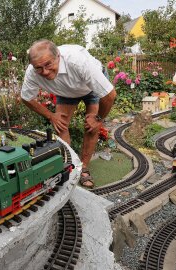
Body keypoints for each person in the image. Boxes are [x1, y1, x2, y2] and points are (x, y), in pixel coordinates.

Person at [21, 40, 117, 188]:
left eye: (48, 64)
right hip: (65, 91)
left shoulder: (78, 62)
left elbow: (110, 95)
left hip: (90, 88)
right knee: (60, 126)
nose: (45, 72)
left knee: (92, 127)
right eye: (39, 68)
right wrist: (51, 116)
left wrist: (98, 119)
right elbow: (26, 98)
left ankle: (83, 168)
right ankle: (68, 165)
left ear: (58, 56)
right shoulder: (32, 72)